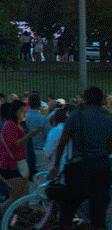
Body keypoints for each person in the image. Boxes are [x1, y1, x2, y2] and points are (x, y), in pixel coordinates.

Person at [50, 86, 112, 229]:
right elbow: (110, 148)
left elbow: (62, 144)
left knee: (68, 209)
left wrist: (55, 165)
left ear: (85, 100)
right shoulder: (108, 121)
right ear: (101, 101)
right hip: (101, 167)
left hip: (79, 168)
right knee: (99, 213)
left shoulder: (75, 117)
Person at [0, 100, 38, 210]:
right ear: (15, 112)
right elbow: (13, 144)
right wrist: (28, 135)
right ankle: (2, 219)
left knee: (21, 198)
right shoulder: (10, 125)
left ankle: (13, 220)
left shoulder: (17, 125)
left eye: (25, 111)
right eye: (22, 111)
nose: (25, 114)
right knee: (15, 198)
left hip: (18, 164)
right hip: (11, 165)